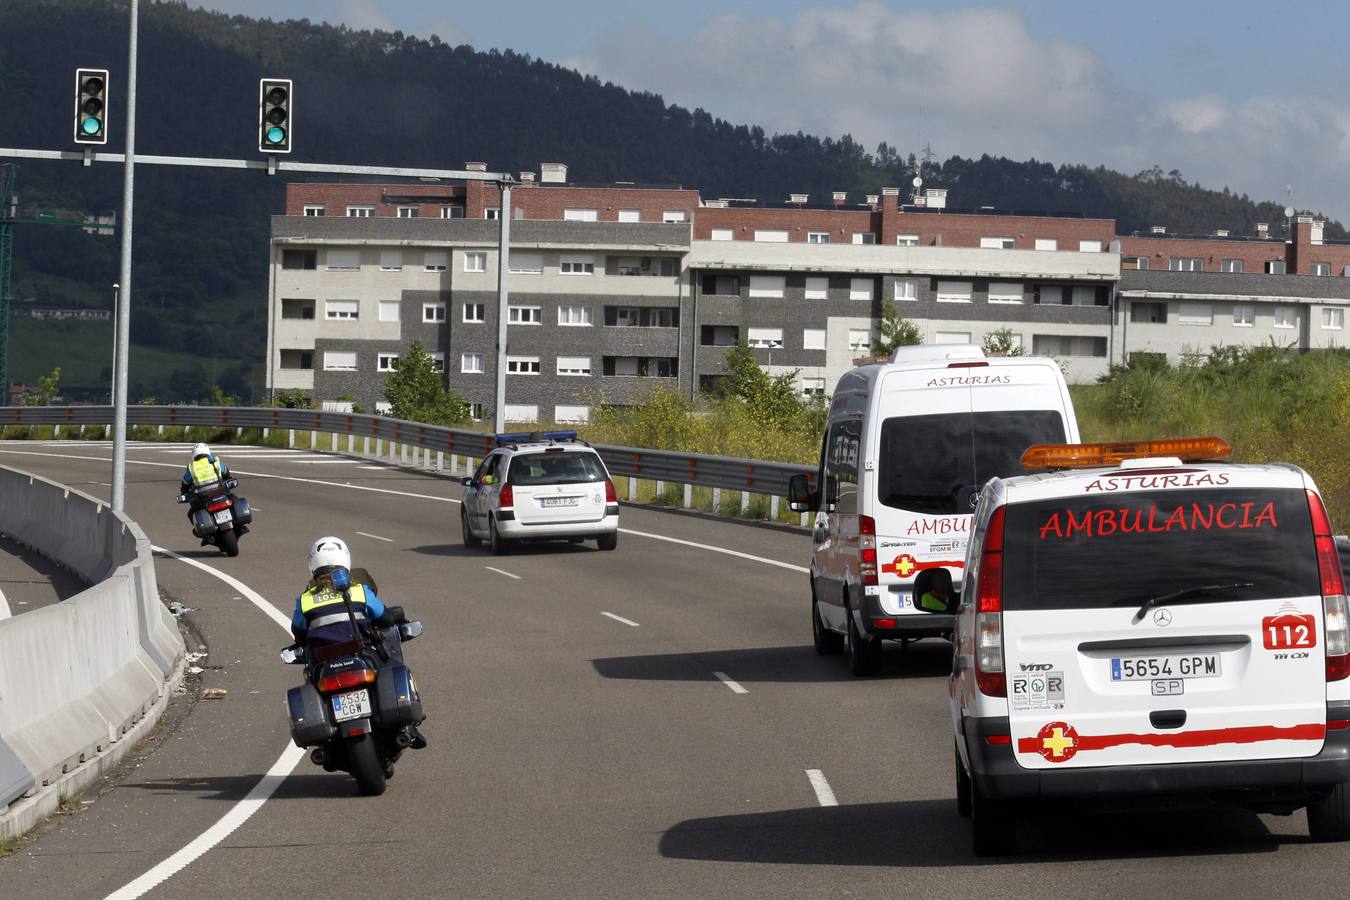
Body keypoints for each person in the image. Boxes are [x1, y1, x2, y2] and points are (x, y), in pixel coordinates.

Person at [291, 536, 427, 749]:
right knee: (391, 663)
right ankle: (408, 725)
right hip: (362, 654)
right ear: (345, 560)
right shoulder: (359, 591)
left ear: (313, 566)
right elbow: (385, 618)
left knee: (312, 682)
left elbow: (298, 633)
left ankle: (328, 744)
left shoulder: (305, 600)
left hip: (325, 665)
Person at [180, 443, 239, 543]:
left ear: (194, 455)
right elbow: (226, 473)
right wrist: (228, 479)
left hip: (204, 498)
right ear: (208, 452)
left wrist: (184, 492)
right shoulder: (215, 461)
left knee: (191, 513)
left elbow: (185, 482)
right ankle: (238, 522)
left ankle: (204, 534)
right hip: (221, 493)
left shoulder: (192, 467)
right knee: (234, 499)